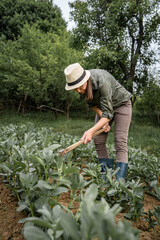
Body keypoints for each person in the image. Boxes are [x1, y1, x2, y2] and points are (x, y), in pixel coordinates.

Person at [64, 63, 132, 180]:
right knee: (98, 139)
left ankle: (119, 183)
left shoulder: (102, 81)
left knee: (120, 140)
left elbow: (108, 114)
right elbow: (94, 105)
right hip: (103, 109)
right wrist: (103, 119)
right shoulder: (81, 88)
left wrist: (91, 130)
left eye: (80, 87)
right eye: (75, 89)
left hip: (122, 104)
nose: (79, 90)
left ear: (85, 79)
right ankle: (106, 176)